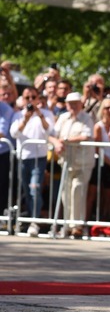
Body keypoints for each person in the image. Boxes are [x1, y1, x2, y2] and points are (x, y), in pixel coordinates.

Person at [10, 86, 55, 236]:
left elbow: (50, 131)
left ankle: (35, 221)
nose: (30, 101)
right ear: (23, 100)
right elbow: (14, 133)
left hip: (39, 158)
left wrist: (39, 115)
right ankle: (30, 218)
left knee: (34, 188)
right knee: (26, 191)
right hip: (23, 158)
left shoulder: (46, 114)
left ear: (38, 98)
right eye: (27, 98)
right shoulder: (18, 115)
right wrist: (26, 118)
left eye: (33, 97)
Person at [49, 92, 95, 238]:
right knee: (66, 193)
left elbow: (86, 135)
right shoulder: (63, 118)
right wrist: (57, 142)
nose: (73, 106)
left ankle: (77, 225)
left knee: (78, 189)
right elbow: (51, 134)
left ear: (81, 104)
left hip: (83, 162)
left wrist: (67, 140)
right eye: (70, 103)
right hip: (66, 162)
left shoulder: (86, 118)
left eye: (76, 103)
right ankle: (67, 225)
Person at [86, 96, 110, 224]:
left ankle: (105, 223)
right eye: (108, 108)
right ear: (102, 110)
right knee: (92, 194)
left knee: (109, 196)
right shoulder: (98, 126)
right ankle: (85, 223)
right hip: (100, 162)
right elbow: (98, 149)